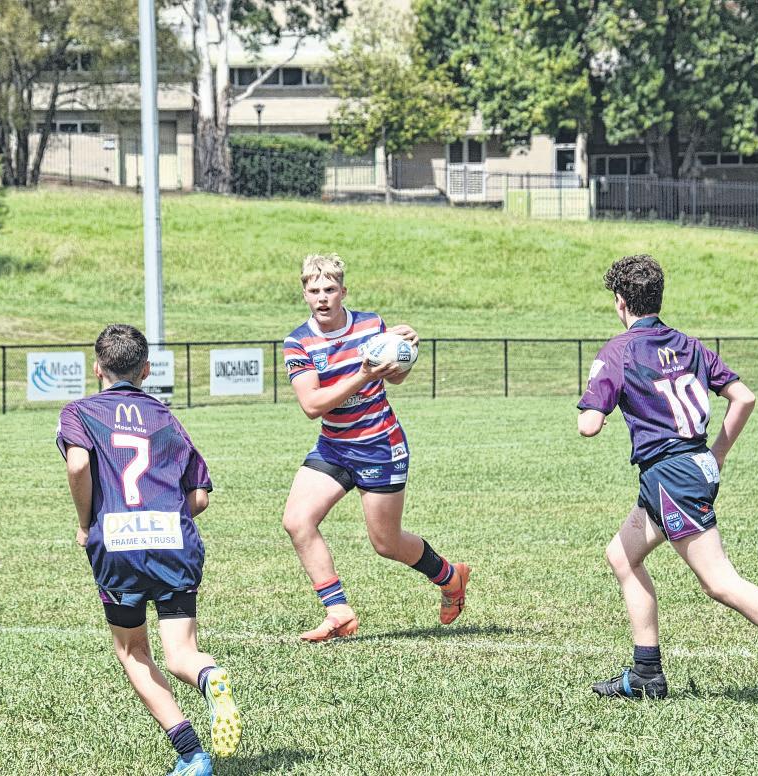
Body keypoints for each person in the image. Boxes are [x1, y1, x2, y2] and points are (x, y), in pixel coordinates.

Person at [577, 255, 758, 709]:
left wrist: (594, 396)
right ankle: (646, 673)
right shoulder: (688, 345)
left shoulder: (618, 351)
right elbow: (744, 397)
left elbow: (589, 426)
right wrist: (716, 452)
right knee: (621, 555)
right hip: (686, 469)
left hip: (671, 475)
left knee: (719, 581)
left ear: (620, 301)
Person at [57, 324, 240, 776]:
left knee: (133, 651)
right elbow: (200, 498)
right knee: (181, 653)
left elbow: (78, 465)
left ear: (97, 368)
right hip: (174, 545)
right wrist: (164, 523)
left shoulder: (79, 412)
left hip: (118, 548)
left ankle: (192, 755)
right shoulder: (166, 418)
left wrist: (84, 524)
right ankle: (208, 676)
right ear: (146, 370)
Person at [281, 253, 470, 642]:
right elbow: (312, 406)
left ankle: (450, 577)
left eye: (330, 289)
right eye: (314, 290)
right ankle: (339, 612)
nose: (322, 297)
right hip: (334, 446)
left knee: (386, 543)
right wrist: (362, 374)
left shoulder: (371, 325)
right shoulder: (298, 342)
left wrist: (406, 351)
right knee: (297, 521)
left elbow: (395, 378)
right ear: (304, 294)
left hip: (379, 445)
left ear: (343, 291)